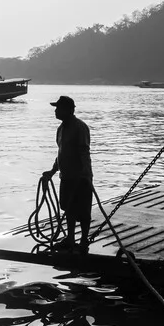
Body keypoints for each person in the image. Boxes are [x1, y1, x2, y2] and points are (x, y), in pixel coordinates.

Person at [42, 95, 93, 249]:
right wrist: (52, 171)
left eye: (58, 108)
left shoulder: (80, 127)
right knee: (68, 208)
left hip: (81, 177)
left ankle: (84, 240)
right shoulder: (61, 129)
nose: (56, 111)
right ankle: (70, 239)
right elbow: (61, 153)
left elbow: (84, 152)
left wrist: (85, 175)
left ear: (68, 110)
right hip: (66, 177)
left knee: (83, 210)